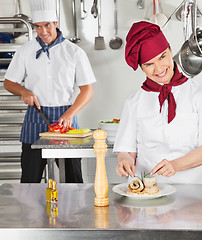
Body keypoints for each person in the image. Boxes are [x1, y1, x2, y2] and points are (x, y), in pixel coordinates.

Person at [4, 0, 96, 183]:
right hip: (35, 118)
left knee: (73, 181)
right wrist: (23, 91)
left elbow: (88, 90)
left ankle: (74, 212)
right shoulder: (25, 51)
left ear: (56, 23)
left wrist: (70, 113)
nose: (43, 32)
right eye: (38, 27)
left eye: (47, 25)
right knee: (30, 181)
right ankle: (31, 212)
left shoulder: (74, 52)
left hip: (66, 119)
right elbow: (8, 82)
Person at [113, 21, 202, 184]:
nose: (159, 68)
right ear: (141, 67)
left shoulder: (198, 94)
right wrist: (124, 161)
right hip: (146, 191)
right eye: (149, 64)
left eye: (162, 57)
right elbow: (126, 150)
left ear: (170, 50)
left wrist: (176, 165)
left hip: (192, 192)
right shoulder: (134, 102)